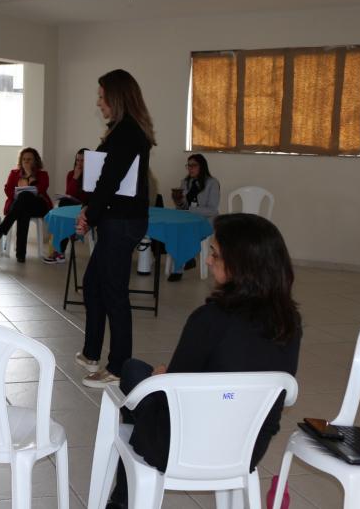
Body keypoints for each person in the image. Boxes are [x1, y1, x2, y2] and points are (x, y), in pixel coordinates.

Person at [105, 213, 302, 508]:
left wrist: (161, 379)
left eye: (214, 254)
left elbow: (173, 393)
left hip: (182, 447)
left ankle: (122, 500)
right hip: (246, 449)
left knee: (133, 371)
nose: (208, 261)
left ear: (240, 265)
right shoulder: (290, 323)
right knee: (156, 383)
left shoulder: (209, 319)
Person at [75, 69, 155, 388]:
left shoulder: (127, 132)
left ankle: (119, 366)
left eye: (101, 97)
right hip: (116, 218)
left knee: (114, 294)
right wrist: (90, 211)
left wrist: (89, 216)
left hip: (122, 222)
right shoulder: (122, 130)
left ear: (116, 98)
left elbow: (109, 180)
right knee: (93, 283)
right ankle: (91, 351)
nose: (99, 103)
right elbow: (105, 180)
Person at [0, 147, 53, 263]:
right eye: (24, 159)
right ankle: (20, 255)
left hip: (38, 205)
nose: (26, 161)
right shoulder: (14, 173)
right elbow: (8, 189)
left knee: (25, 197)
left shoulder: (43, 174)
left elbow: (41, 189)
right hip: (18, 205)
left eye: (29, 159)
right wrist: (17, 195)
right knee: (23, 209)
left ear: (36, 161)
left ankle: (3, 228)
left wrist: (30, 174)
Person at [167, 153, 221, 282]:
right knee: (175, 230)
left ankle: (179, 268)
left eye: (193, 165)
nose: (190, 168)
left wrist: (190, 210)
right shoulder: (185, 182)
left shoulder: (212, 183)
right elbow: (182, 206)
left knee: (184, 230)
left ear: (202, 166)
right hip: (187, 219)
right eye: (188, 166)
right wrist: (178, 200)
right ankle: (187, 259)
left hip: (205, 220)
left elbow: (212, 210)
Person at [43, 148, 90, 264]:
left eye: (83, 160)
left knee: (63, 209)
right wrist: (75, 177)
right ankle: (59, 252)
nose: (79, 163)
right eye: (78, 160)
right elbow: (70, 193)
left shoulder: (93, 176)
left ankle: (59, 252)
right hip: (72, 207)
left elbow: (89, 197)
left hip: (86, 208)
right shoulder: (71, 174)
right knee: (63, 207)